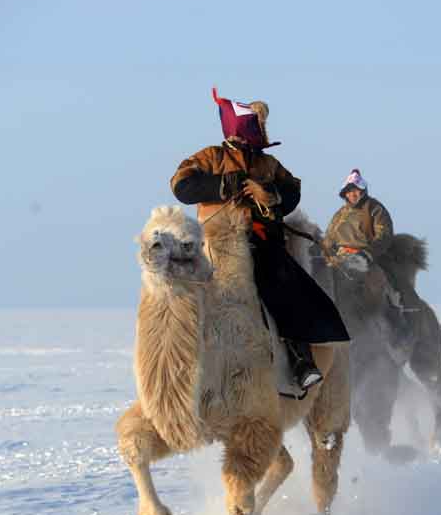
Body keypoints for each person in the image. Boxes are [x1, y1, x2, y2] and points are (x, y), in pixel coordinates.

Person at [170, 88, 349, 391]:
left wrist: (271, 194)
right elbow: (181, 185)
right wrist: (228, 183)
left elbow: (292, 192)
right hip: (216, 239)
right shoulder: (211, 156)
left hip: (260, 241)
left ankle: (299, 356)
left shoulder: (269, 165)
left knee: (283, 282)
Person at [323, 169, 413, 347]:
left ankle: (398, 327)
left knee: (381, 287)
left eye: (355, 189)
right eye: (349, 191)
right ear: (345, 194)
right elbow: (329, 238)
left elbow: (384, 234)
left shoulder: (374, 209)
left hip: (365, 257)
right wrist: (322, 251)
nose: (352, 193)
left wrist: (368, 253)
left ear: (362, 190)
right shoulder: (339, 215)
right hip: (339, 259)